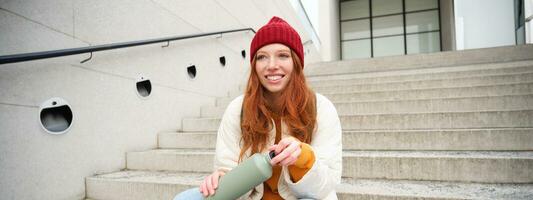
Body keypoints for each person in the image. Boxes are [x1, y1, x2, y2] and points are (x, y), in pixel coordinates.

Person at [173, 16, 342, 200]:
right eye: (262, 57)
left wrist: (303, 158)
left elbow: (326, 186)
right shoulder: (238, 109)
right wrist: (222, 179)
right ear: (254, 66)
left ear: (296, 62)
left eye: (283, 55)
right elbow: (227, 167)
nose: (272, 66)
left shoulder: (321, 108)